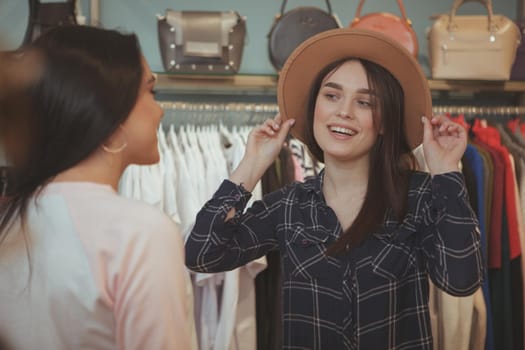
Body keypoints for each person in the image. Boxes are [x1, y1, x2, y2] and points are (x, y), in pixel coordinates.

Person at [185, 28, 485, 349]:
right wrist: (253, 163)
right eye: (331, 96)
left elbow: (462, 280)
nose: (344, 111)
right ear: (315, 108)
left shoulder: (418, 195)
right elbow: (202, 254)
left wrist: (445, 171)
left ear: (384, 122)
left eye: (365, 102)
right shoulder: (289, 206)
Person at [0, 26, 191, 350]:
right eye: (150, 92)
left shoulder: (11, 223)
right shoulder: (138, 232)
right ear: (107, 111)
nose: (160, 110)